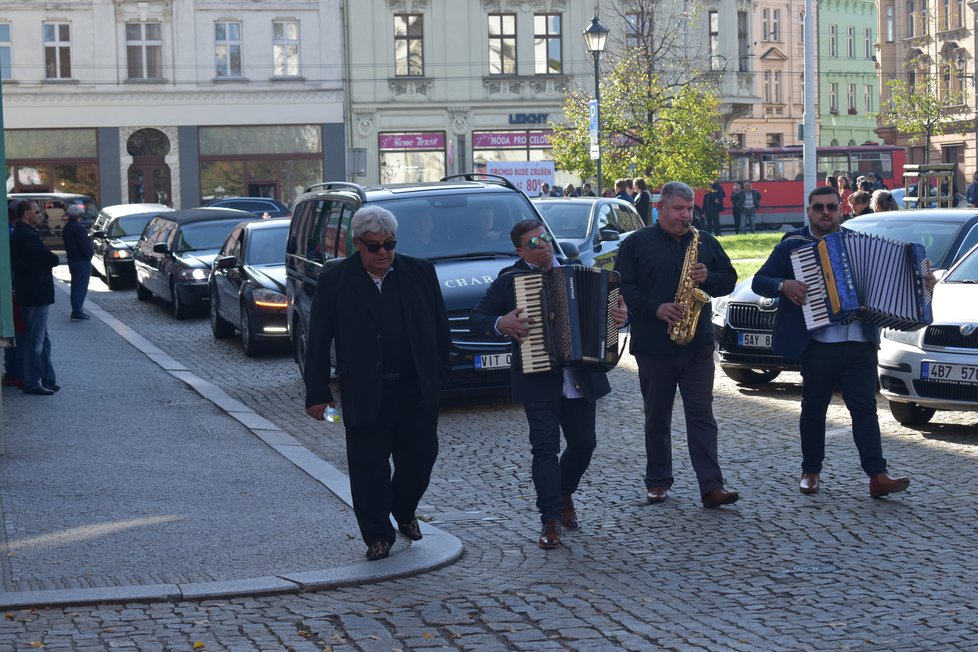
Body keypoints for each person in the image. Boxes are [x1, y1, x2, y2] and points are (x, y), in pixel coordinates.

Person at [751, 185, 930, 498]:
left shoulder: (858, 242)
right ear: (808, 211)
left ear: (840, 210)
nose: (824, 213)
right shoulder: (794, 244)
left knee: (864, 409)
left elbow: (898, 281)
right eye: (818, 207)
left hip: (860, 341)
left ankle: (878, 475)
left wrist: (923, 284)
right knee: (814, 408)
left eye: (830, 207)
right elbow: (759, 281)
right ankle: (811, 470)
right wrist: (785, 284)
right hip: (818, 342)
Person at [303, 205, 451, 561]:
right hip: (364, 391)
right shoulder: (335, 279)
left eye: (389, 244)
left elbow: (439, 328)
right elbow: (319, 338)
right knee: (368, 467)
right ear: (357, 244)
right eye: (374, 246)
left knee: (420, 459)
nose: (383, 252)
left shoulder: (420, 272)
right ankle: (377, 536)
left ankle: (403, 509)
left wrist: (440, 377)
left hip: (414, 390)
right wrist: (318, 393)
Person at [470, 219, 628, 549]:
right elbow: (477, 320)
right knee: (545, 448)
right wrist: (502, 322)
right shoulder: (510, 281)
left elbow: (613, 310)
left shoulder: (577, 270)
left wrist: (619, 316)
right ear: (518, 250)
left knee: (584, 444)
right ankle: (550, 520)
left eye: (544, 239)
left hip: (579, 377)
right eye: (533, 242)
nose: (542, 245)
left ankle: (563, 491)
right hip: (538, 376)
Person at [613, 182, 740, 509]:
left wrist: (708, 277)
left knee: (702, 416)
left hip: (696, 345)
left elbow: (729, 278)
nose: (685, 215)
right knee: (657, 416)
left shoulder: (704, 241)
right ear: (660, 207)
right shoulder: (637, 244)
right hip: (654, 346)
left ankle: (711, 486)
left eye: (689, 209)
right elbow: (623, 285)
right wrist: (656, 308)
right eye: (678, 209)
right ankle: (657, 481)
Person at [10, 200, 60, 396]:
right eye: (37, 211)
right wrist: (52, 260)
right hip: (35, 293)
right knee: (35, 340)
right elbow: (47, 258)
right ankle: (32, 381)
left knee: (42, 338)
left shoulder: (22, 233)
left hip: (33, 292)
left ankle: (46, 379)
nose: (40, 214)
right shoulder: (26, 235)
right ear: (26, 214)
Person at [63, 204, 94, 320]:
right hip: (81, 261)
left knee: (76, 286)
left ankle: (77, 309)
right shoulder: (79, 228)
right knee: (80, 286)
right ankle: (77, 310)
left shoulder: (67, 228)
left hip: (73, 260)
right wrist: (89, 254)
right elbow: (84, 246)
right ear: (79, 215)